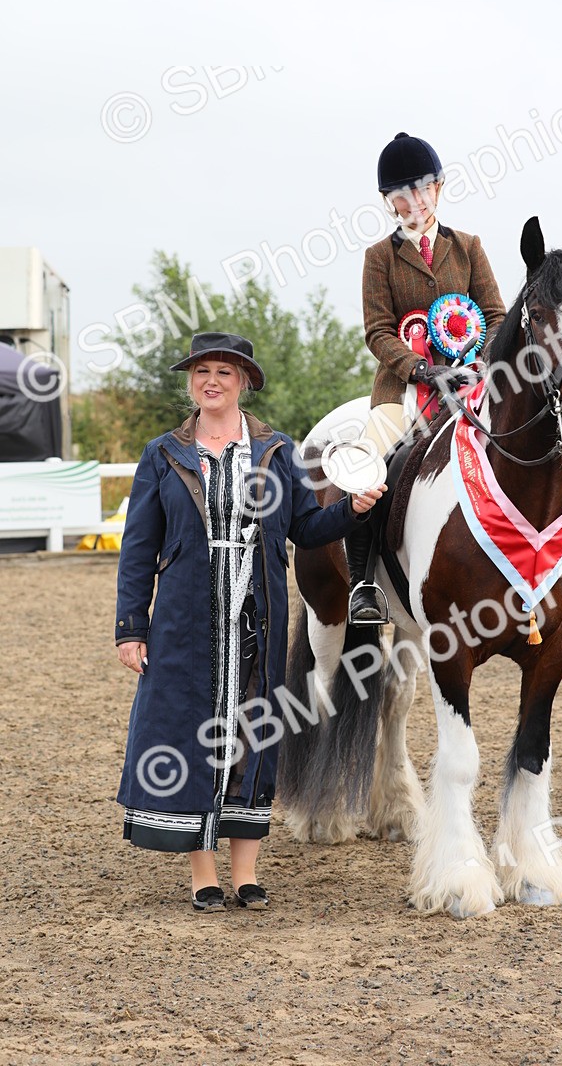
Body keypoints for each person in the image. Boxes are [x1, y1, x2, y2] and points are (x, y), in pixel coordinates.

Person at [115, 332, 385, 912]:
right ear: (191, 381)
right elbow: (138, 549)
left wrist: (352, 510)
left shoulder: (276, 451)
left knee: (251, 735)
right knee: (193, 734)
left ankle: (246, 874)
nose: (212, 381)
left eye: (225, 372)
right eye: (202, 371)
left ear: (243, 382)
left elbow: (306, 530)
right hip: (186, 626)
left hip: (255, 619)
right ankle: (203, 876)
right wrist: (131, 628)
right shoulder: (163, 455)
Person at [346, 131, 506, 622]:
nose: (412, 201)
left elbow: (497, 316)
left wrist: (476, 364)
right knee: (368, 467)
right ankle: (365, 583)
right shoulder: (379, 257)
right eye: (400, 194)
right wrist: (419, 368)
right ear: (387, 201)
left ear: (438, 188)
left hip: (470, 383)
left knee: (530, 439)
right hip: (404, 389)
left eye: (420, 189)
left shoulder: (469, 247)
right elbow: (376, 330)